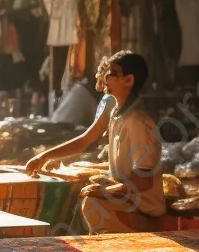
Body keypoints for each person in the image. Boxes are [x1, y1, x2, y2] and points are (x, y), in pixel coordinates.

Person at [26, 50, 165, 233]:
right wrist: (44, 157)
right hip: (124, 196)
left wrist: (106, 192)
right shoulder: (113, 108)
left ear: (129, 81)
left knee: (90, 203)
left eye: (113, 73)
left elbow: (143, 182)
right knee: (83, 191)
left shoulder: (137, 122)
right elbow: (86, 140)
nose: (106, 76)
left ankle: (140, 229)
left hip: (142, 206)